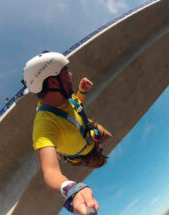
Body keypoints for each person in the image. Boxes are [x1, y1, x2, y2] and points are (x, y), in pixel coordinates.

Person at [23, 51, 112, 215]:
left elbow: (76, 106)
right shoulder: (44, 125)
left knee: (107, 135)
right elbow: (50, 172)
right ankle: (89, 156)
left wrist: (82, 92)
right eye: (65, 72)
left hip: (87, 130)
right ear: (53, 82)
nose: (71, 75)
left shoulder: (67, 97)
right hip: (85, 153)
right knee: (100, 162)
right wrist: (72, 190)